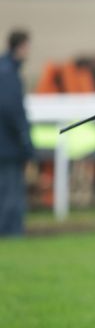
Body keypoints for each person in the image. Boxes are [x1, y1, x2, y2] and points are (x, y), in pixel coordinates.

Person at [0, 29, 34, 236]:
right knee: (11, 192)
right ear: (21, 46)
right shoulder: (8, 73)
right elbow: (11, 110)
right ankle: (11, 233)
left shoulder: (5, 69)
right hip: (8, 146)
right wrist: (25, 141)